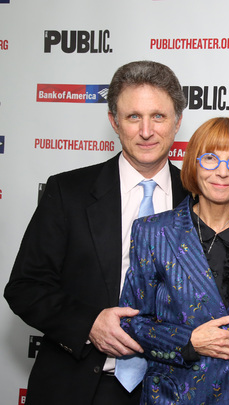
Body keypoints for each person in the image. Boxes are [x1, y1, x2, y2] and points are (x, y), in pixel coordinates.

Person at [4, 60, 188, 405]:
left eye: (158, 117)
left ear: (177, 121)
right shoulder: (67, 192)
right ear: (113, 121)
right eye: (133, 117)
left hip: (170, 390)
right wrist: (88, 324)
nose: (146, 131)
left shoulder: (199, 199)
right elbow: (25, 287)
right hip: (79, 387)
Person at [119, 117, 229, 404]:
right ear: (194, 165)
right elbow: (130, 323)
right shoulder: (153, 232)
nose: (222, 172)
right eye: (210, 159)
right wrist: (189, 341)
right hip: (176, 395)